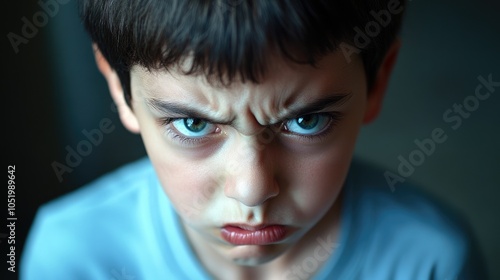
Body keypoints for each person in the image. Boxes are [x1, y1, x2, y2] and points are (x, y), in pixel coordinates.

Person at [21, 0, 487, 279]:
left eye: (306, 123)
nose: (252, 189)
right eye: (194, 125)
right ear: (120, 92)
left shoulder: (432, 262)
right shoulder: (72, 257)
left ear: (377, 83)